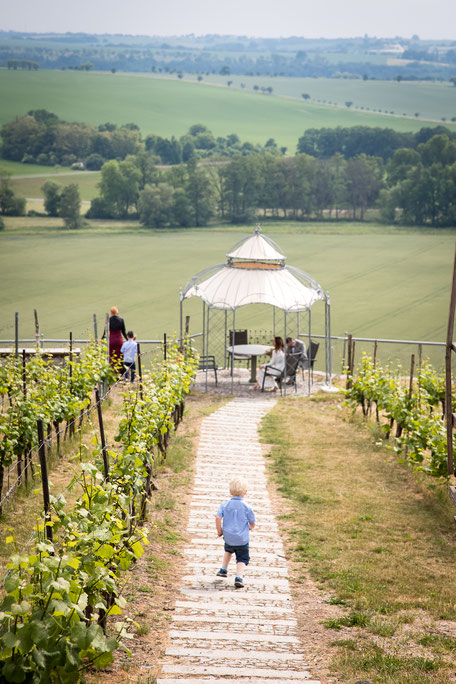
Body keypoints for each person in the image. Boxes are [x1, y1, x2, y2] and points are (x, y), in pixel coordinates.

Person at [215, 478, 256, 589]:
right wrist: (250, 528)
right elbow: (252, 523)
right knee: (242, 558)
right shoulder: (247, 507)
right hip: (242, 539)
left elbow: (218, 517)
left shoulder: (224, 505)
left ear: (230, 491)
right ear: (245, 492)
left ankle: (223, 569)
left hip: (228, 537)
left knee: (228, 550)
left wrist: (219, 531)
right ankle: (238, 577)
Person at [103, 307, 127, 373]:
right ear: (117, 312)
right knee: (120, 356)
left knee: (112, 356)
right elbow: (123, 332)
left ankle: (112, 372)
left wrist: (102, 339)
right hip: (119, 340)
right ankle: (121, 372)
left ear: (111, 313)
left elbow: (105, 332)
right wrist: (128, 339)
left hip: (111, 340)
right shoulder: (121, 320)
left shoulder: (108, 320)